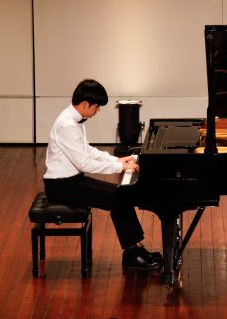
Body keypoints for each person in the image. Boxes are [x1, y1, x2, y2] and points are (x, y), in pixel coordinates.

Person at [43, 79, 162, 271]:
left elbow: (88, 151)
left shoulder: (74, 120)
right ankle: (132, 254)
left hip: (72, 181)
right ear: (85, 104)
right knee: (120, 198)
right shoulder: (66, 125)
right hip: (61, 187)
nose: (98, 110)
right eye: (97, 107)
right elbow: (84, 163)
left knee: (121, 193)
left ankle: (135, 250)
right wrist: (119, 167)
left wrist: (117, 160)